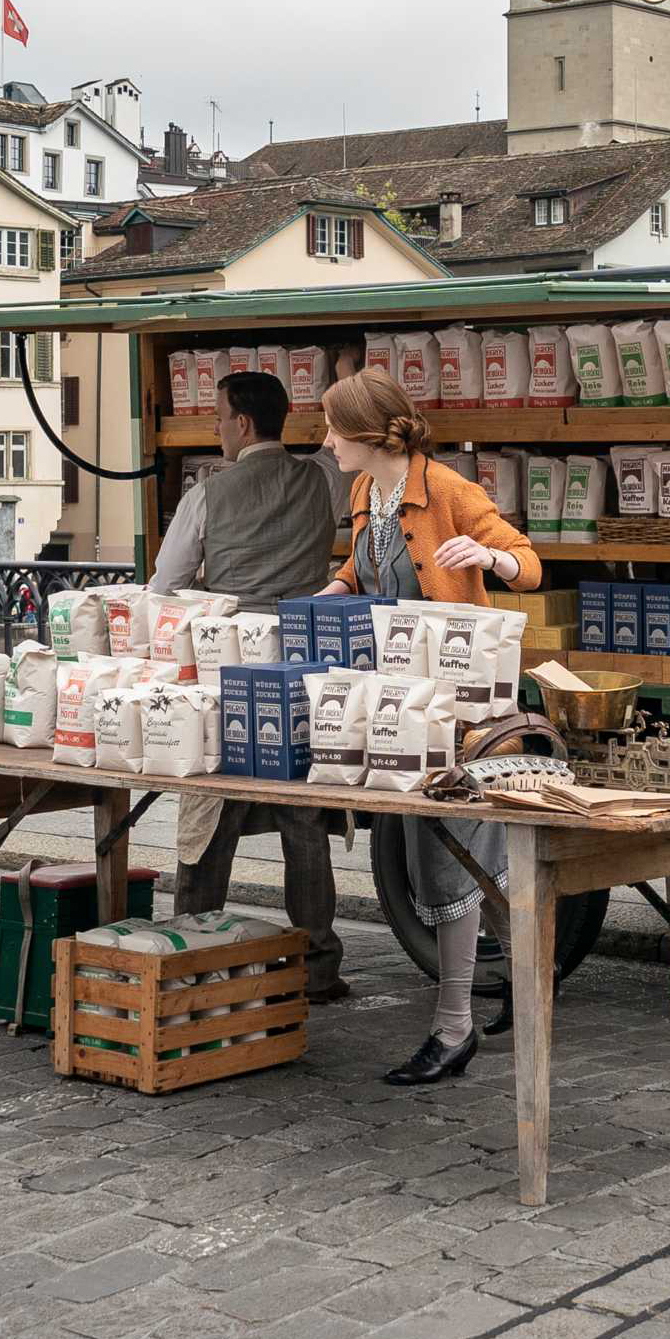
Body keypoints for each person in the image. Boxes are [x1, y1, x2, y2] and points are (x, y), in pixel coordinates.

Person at [317, 370, 539, 1084]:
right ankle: (524, 996)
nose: (324, 442)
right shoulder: (363, 493)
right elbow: (363, 569)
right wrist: (334, 590)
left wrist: (489, 556)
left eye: (332, 429)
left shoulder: (448, 491)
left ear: (367, 435)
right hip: (401, 707)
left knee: (454, 857)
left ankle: (452, 1029)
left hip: (464, 712)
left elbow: (529, 564)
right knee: (448, 858)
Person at [160, 369, 352, 999]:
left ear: (242, 423)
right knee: (302, 817)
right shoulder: (323, 477)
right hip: (303, 662)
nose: (216, 429)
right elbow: (336, 447)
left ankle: (193, 950)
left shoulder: (208, 495)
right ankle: (319, 963)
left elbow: (167, 585)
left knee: (209, 808)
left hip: (225, 666)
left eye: (218, 417)